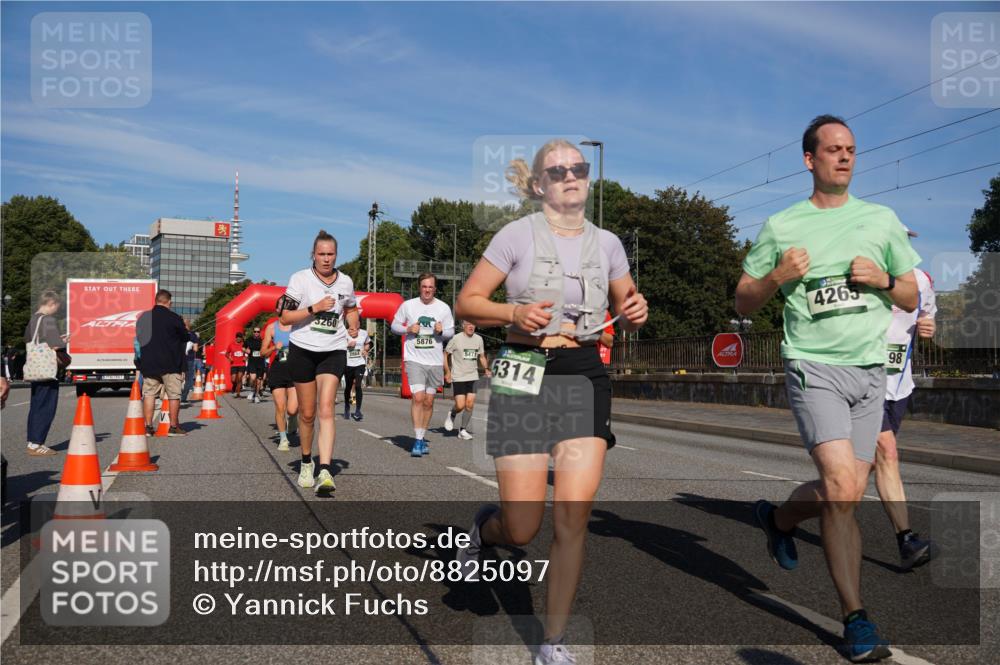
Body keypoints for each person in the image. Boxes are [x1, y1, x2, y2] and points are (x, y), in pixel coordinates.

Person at [454, 139, 647, 665]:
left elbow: (626, 305)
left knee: (573, 516)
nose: (570, 176)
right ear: (539, 184)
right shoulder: (516, 235)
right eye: (557, 170)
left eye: (578, 168)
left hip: (584, 370)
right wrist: (512, 316)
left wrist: (635, 311)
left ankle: (553, 641)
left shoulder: (607, 244)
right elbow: (467, 301)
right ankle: (482, 529)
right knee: (521, 527)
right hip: (524, 369)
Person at [735, 115, 920, 663]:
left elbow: (910, 295)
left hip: (870, 372)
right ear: (809, 160)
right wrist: (776, 277)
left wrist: (883, 279)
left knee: (847, 491)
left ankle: (778, 518)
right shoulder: (782, 224)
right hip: (813, 366)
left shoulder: (881, 220)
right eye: (833, 149)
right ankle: (856, 620)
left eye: (851, 150)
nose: (844, 157)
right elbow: (744, 301)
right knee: (841, 484)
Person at [277, 229, 360, 495]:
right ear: (313, 255)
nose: (326, 259)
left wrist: (353, 324)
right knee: (308, 413)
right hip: (303, 349)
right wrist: (314, 308)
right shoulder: (300, 280)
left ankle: (324, 470)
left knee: (326, 409)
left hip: (333, 350)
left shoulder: (345, 282)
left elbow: (351, 308)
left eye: (331, 254)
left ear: (337, 255)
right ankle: (305, 461)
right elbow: (284, 317)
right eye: (321, 254)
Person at [877, 255, 937, 570]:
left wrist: (928, 327)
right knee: (887, 453)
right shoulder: (859, 276)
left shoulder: (921, 279)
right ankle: (906, 539)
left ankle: (782, 518)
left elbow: (928, 318)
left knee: (854, 478)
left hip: (899, 386)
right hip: (861, 383)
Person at [391, 273, 455, 456]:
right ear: (419, 287)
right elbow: (394, 326)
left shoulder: (443, 308)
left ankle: (422, 435)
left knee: (429, 401)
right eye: (424, 286)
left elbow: (451, 331)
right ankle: (418, 440)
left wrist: (442, 331)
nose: (427, 290)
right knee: (418, 398)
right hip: (414, 359)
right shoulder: (408, 305)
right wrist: (408, 329)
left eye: (430, 287)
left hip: (434, 361)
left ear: (435, 288)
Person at [137, 289, 189, 437]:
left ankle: (148, 427)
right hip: (171, 364)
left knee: (149, 394)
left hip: (149, 363)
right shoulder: (174, 318)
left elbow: (139, 338)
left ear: (156, 300)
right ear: (169, 302)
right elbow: (185, 337)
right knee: (173, 395)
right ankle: (173, 427)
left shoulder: (144, 318)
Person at [24, 291, 70, 456]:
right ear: (51, 303)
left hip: (36, 368)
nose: (56, 310)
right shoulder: (48, 320)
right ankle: (37, 443)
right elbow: (55, 345)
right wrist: (63, 341)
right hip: (47, 370)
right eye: (57, 306)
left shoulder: (33, 320)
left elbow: (32, 341)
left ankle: (32, 441)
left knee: (36, 405)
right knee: (46, 406)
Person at [443, 320, 491, 440]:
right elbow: (445, 355)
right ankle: (452, 413)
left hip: (473, 375)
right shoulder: (456, 339)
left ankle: (462, 430)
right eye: (468, 324)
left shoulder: (479, 339)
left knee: (469, 405)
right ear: (463, 326)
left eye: (473, 324)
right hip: (458, 376)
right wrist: (447, 372)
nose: (471, 326)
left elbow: (481, 356)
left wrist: (486, 369)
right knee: (460, 405)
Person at [261, 318, 298, 451]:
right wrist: (273, 347)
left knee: (292, 409)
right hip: (278, 368)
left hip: (295, 369)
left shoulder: (298, 325)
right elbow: (262, 352)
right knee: (280, 407)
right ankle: (283, 439)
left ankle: (293, 418)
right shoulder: (271, 328)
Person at [342, 325, 369, 421]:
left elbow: (367, 343)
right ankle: (346, 407)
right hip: (348, 364)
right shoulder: (344, 333)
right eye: (350, 329)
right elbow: (337, 346)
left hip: (360, 363)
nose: (352, 331)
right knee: (348, 386)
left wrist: (365, 350)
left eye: (355, 329)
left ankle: (358, 411)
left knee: (357, 386)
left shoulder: (364, 333)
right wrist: (347, 346)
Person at [180, 319, 200, 404]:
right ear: (189, 325)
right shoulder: (193, 335)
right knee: (189, 379)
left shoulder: (178, 333)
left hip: (178, 359)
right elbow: (195, 349)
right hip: (189, 359)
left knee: (177, 378)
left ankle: (175, 396)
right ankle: (183, 397)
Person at [245, 327, 266, 403]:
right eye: (255, 331)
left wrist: (265, 352)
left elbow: (267, 349)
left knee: (258, 381)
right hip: (252, 362)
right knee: (253, 378)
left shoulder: (263, 341)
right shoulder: (249, 340)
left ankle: (256, 395)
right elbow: (243, 347)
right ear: (253, 332)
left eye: (258, 332)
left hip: (260, 362)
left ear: (260, 332)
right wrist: (246, 350)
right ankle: (252, 390)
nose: (256, 333)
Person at [225, 331, 248, 398]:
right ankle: (234, 385)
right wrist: (229, 358)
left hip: (242, 364)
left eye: (240, 338)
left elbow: (248, 352)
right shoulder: (231, 345)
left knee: (239, 378)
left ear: (241, 338)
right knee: (233, 379)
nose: (238, 339)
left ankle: (238, 393)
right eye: (237, 337)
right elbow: (226, 354)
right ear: (236, 338)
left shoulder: (244, 344)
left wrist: (246, 357)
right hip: (234, 364)